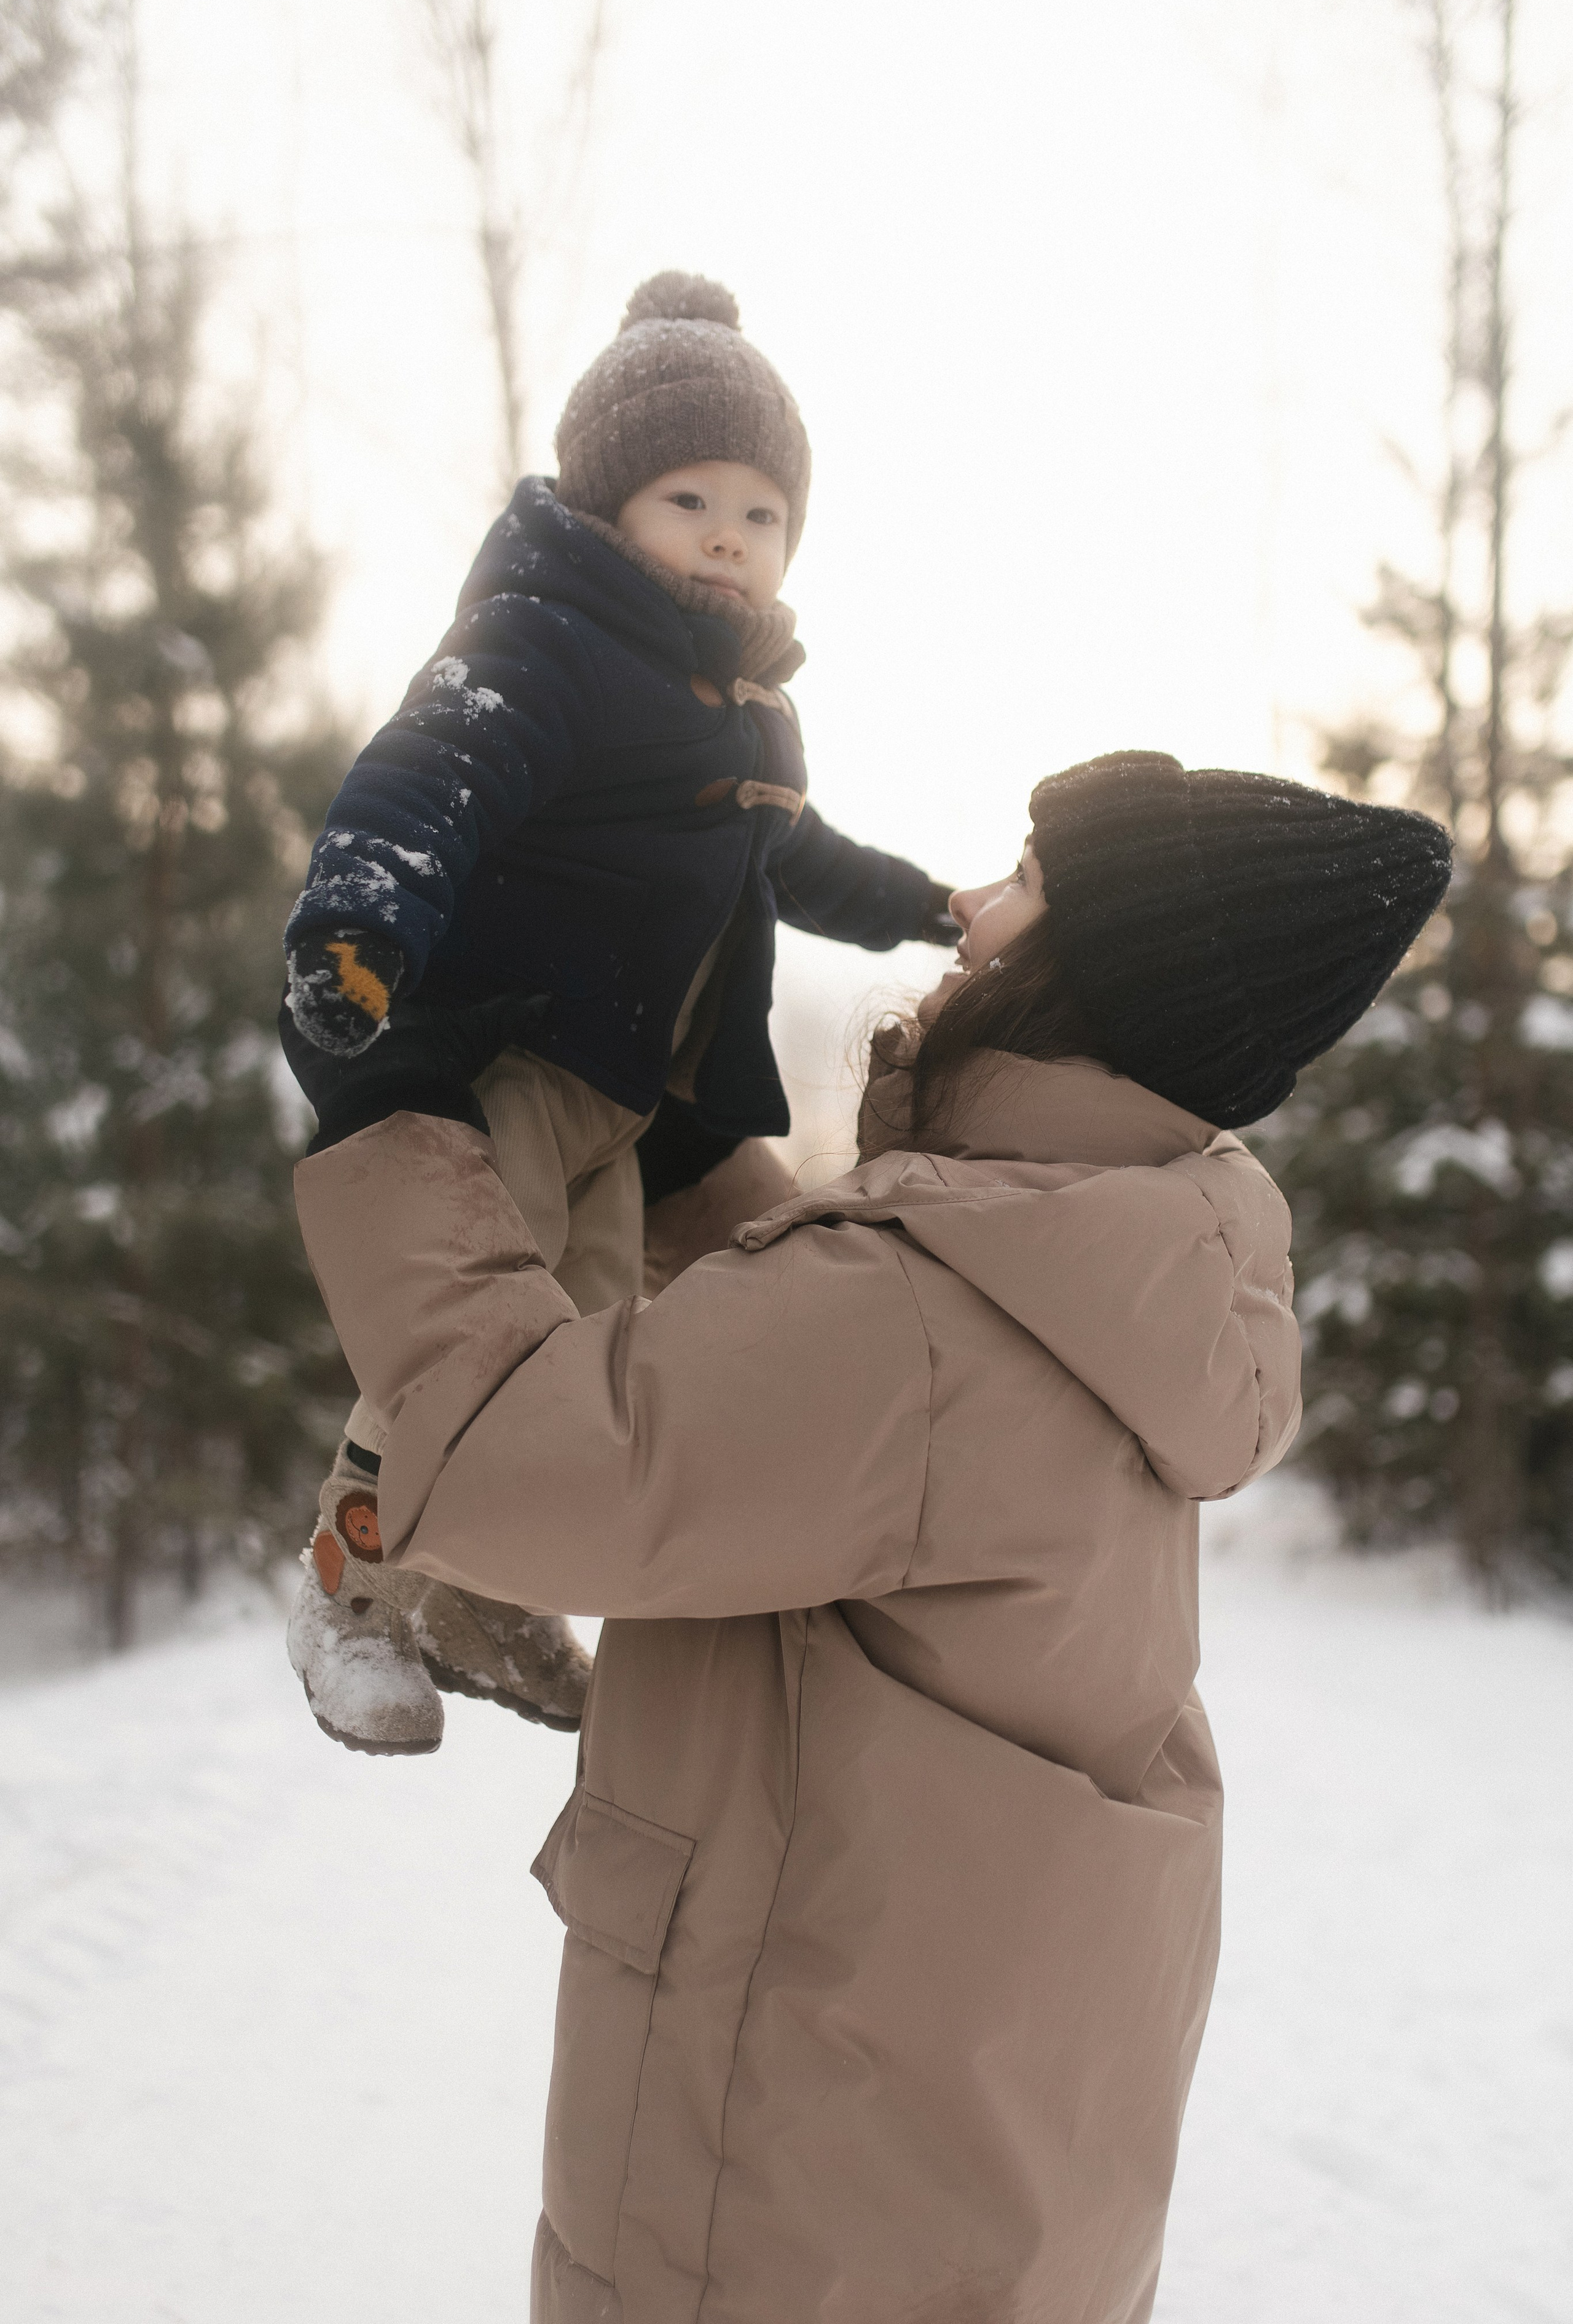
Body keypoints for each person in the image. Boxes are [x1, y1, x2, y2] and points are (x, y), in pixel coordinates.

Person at [284, 748, 1450, 2322]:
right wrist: (702, 1174)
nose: (969, 909)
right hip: (967, 2174)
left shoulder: (927, 1321)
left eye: (1024, 884)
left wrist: (393, 1114)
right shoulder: (1138, 1253)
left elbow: (513, 1453)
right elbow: (805, 1367)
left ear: (1092, 975)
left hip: (779, 2192)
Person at [279, 271, 958, 1756]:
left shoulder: (750, 715)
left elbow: (797, 856)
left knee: (572, 1359)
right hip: (509, 1056)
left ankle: (486, 1596)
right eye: (687, 495)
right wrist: (355, 929)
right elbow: (421, 780)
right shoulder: (547, 639)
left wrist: (931, 907)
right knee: (463, 1345)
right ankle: (352, 1594)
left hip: (629, 1101)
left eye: (762, 513)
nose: (727, 534)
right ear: (603, 508)